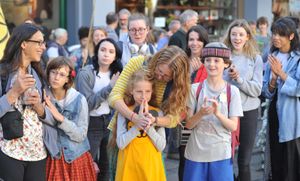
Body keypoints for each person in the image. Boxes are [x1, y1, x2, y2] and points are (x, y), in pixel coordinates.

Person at [108, 46, 190, 180]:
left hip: (152, 141)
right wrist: (135, 118)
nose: (159, 76)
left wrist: (154, 121)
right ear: (157, 61)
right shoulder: (137, 62)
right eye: (159, 70)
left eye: (166, 76)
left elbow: (174, 118)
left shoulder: (177, 86)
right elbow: (114, 96)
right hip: (123, 133)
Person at [183, 42, 243, 181]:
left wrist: (217, 114)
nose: (212, 64)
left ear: (226, 64)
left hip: (221, 154)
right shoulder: (194, 89)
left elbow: (233, 126)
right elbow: (188, 124)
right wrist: (201, 113)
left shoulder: (232, 91)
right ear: (203, 62)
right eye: (208, 60)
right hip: (195, 154)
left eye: (217, 60)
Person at [0, 23, 47, 181]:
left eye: (43, 42)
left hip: (37, 151)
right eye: (38, 42)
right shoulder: (3, 73)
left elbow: (45, 114)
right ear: (24, 44)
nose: (43, 47)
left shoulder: (38, 74)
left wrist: (38, 106)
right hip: (9, 149)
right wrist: (14, 92)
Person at [75, 38, 122, 181]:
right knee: (88, 164)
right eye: (103, 50)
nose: (106, 54)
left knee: (106, 166)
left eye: (111, 51)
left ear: (115, 56)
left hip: (110, 122)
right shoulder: (86, 73)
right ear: (97, 52)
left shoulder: (118, 73)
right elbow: (87, 104)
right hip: (91, 123)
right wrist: (109, 88)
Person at [42, 57, 96, 180]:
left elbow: (81, 135)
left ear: (67, 79)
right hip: (52, 157)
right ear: (48, 73)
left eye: (62, 74)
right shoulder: (43, 96)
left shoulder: (78, 99)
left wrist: (60, 118)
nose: (56, 78)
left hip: (76, 158)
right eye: (54, 72)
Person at [223, 19, 263, 181]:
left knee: (244, 161)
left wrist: (239, 79)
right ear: (229, 36)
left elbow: (257, 90)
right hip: (226, 112)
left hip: (249, 112)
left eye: (241, 34)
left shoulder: (255, 58)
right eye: (234, 34)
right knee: (226, 159)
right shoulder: (223, 56)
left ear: (247, 37)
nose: (237, 38)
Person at [262, 17, 300, 181]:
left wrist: (281, 73)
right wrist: (272, 80)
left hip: (293, 113)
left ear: (291, 36)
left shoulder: (298, 58)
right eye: (274, 33)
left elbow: (298, 89)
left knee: (291, 160)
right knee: (275, 156)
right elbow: (267, 92)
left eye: (281, 34)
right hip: (275, 110)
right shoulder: (272, 55)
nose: (276, 37)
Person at [115, 69, 166, 181]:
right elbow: (120, 143)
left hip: (150, 167)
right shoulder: (125, 112)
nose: (143, 96)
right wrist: (137, 126)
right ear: (131, 90)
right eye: (139, 91)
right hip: (129, 167)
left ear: (152, 92)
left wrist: (148, 127)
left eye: (147, 91)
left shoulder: (157, 113)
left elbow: (161, 146)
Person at [177, 24, 209, 181]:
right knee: (184, 155)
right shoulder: (181, 60)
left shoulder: (210, 62)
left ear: (204, 42)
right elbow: (176, 89)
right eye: (191, 39)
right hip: (184, 118)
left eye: (198, 40)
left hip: (204, 118)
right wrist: (190, 72)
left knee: (202, 158)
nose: (194, 43)